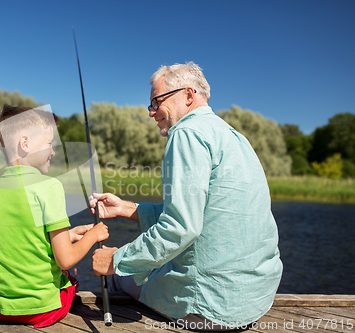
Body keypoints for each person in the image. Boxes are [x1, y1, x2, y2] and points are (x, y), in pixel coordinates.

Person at [90, 63, 283, 331]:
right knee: (152, 263)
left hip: (210, 308)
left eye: (156, 102)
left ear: (188, 95)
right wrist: (127, 207)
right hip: (255, 299)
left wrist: (116, 260)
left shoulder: (186, 133)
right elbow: (206, 214)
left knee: (119, 277)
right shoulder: (234, 136)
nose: (151, 112)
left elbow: (180, 229)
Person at [0, 104, 109, 328]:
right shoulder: (49, 186)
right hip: (40, 310)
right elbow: (65, 259)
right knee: (69, 275)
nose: (53, 151)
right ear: (25, 144)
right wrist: (94, 235)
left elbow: (18, 238)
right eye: (49, 143)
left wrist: (68, 234)